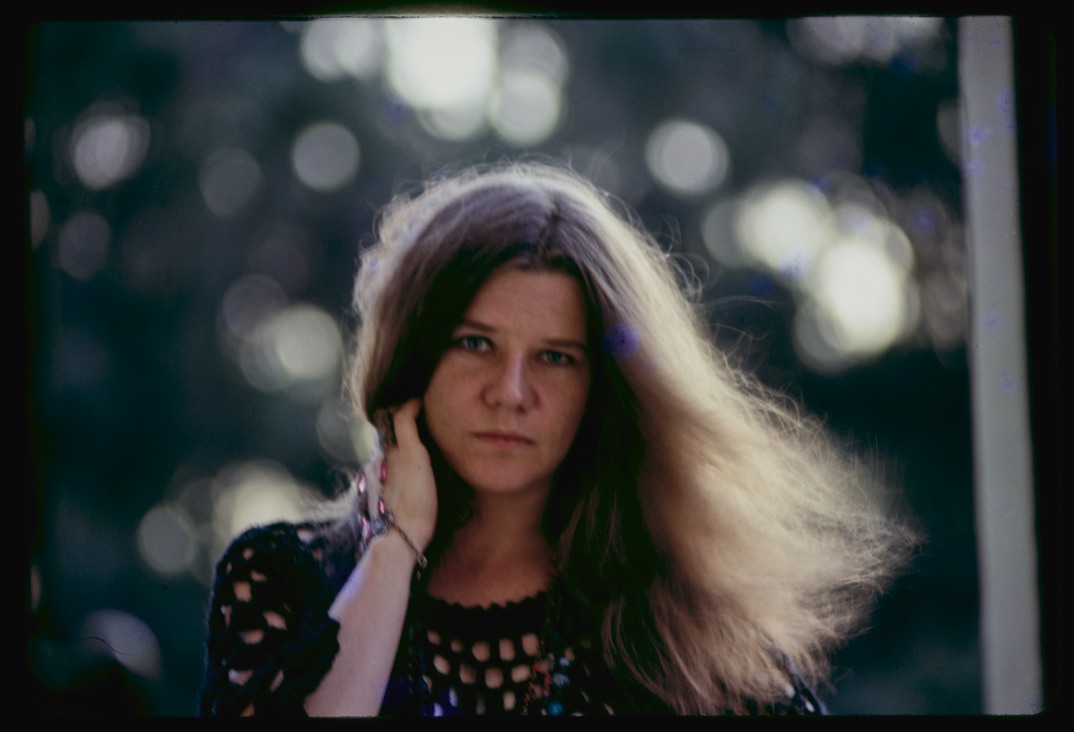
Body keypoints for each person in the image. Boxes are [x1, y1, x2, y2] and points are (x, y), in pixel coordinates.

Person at [198, 162, 914, 716]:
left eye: (555, 357)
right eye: (475, 344)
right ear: (412, 357)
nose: (511, 392)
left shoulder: (685, 634)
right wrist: (395, 543)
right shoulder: (283, 582)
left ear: (602, 388)